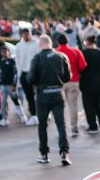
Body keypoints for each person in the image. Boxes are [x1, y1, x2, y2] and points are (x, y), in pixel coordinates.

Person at [29, 34, 72, 166]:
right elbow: (67, 77)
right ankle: (64, 153)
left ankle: (44, 154)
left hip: (43, 94)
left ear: (40, 44)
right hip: (58, 92)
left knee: (42, 125)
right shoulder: (61, 56)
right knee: (61, 124)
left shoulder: (37, 58)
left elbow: (31, 78)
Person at [55, 33, 87, 137]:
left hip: (59, 83)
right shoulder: (75, 51)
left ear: (58, 42)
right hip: (73, 80)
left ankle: (61, 129)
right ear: (67, 41)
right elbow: (82, 66)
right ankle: (74, 128)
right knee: (73, 106)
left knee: (59, 107)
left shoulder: (55, 53)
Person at [80, 34, 100, 133]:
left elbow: (80, 67)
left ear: (87, 42)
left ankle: (93, 126)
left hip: (86, 82)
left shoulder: (83, 53)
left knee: (89, 106)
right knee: (99, 105)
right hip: (98, 81)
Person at [0, 45, 26, 126]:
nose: (4, 53)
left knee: (15, 100)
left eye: (6, 51)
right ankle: (4, 118)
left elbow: (15, 73)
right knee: (3, 102)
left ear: (8, 52)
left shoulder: (12, 61)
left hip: (11, 85)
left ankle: (22, 115)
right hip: (3, 86)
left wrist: (14, 84)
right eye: (2, 52)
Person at [14, 28, 39, 125]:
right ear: (21, 35)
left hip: (36, 73)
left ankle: (44, 113)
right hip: (24, 74)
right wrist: (20, 75)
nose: (26, 36)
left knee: (39, 94)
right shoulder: (19, 46)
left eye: (28, 34)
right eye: (24, 34)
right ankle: (33, 115)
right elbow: (18, 62)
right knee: (29, 96)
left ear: (30, 34)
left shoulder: (36, 44)